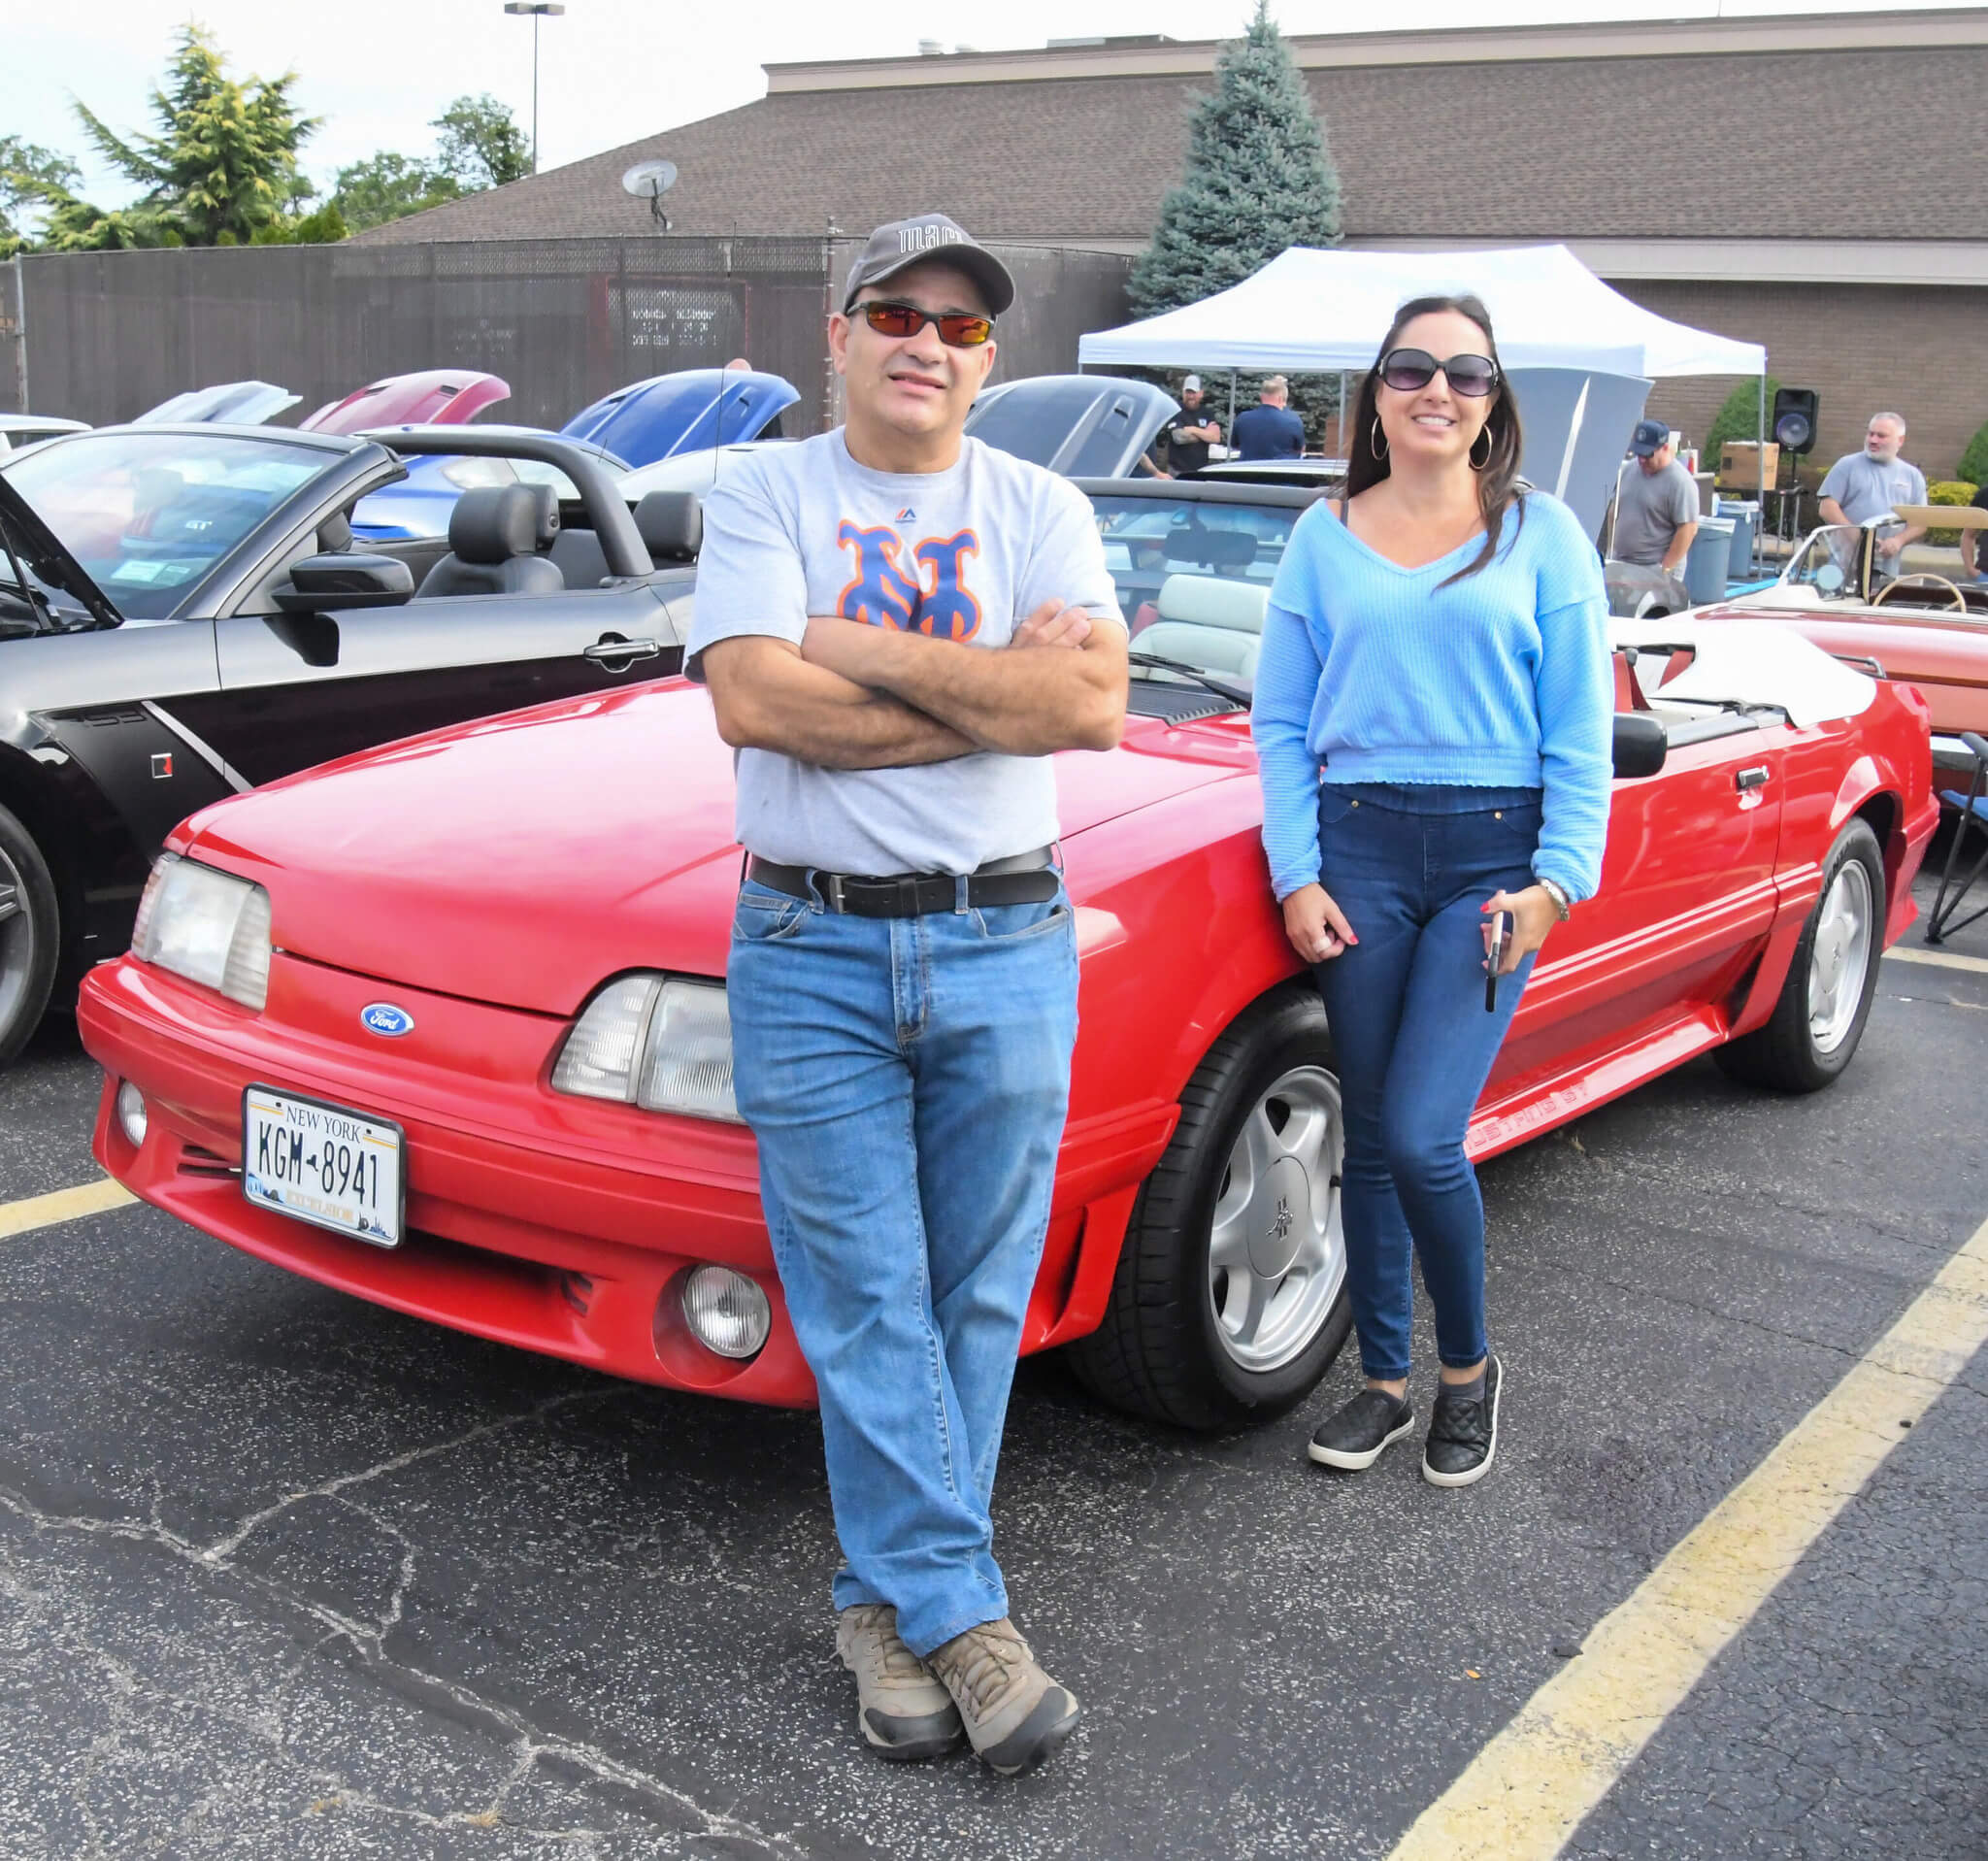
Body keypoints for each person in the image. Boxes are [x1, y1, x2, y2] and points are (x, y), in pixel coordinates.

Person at [687, 212, 1128, 1777]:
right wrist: (999, 691)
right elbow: (755, 699)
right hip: (809, 948)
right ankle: (968, 1617)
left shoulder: (1042, 504)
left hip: (1005, 937)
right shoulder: (765, 492)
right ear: (840, 334)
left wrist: (845, 645)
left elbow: (1093, 702)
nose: (926, 344)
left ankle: (885, 1613)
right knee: (868, 1293)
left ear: (987, 358)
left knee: (977, 1297)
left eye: (960, 325)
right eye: (895, 314)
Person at [1250, 294, 1611, 1489]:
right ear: (1375, 394)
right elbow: (1280, 722)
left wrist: (1557, 883)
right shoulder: (1322, 536)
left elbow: (1579, 733)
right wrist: (1295, 873)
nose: (1436, 391)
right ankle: (1383, 1384)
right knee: (1367, 1136)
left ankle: (1466, 1370)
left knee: (1419, 1136)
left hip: (1491, 862)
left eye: (1466, 373)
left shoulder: (1540, 533)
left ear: (1493, 400)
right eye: (1410, 369)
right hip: (1357, 852)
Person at [1817, 413, 1928, 564]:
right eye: (1871, 434)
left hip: (1886, 567)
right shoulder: (1847, 465)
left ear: (1900, 440)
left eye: (1881, 436)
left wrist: (1898, 540)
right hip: (1844, 564)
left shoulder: (1912, 476)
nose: (1873, 440)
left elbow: (1920, 523)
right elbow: (1827, 508)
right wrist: (1856, 534)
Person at [1608, 419, 1699, 580]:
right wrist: (1611, 550)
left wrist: (1665, 569)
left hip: (1654, 568)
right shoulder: (1628, 470)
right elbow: (1614, 511)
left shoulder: (1680, 482)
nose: (1642, 460)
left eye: (1648, 454)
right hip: (1622, 564)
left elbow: (1688, 528)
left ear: (1665, 448)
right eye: (1638, 453)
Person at [1159, 374, 1222, 476]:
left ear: (1201, 393)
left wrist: (1192, 429)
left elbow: (1216, 438)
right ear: (1183, 392)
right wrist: (1205, 434)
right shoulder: (1175, 410)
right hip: (1177, 471)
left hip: (1201, 470)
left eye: (1194, 392)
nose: (1191, 396)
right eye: (1188, 392)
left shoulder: (1207, 413)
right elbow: (1178, 437)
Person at [1233, 376, 1307, 461]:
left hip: (1249, 467)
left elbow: (1235, 445)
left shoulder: (1242, 418)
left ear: (1261, 396)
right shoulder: (1293, 420)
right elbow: (1300, 449)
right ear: (1280, 398)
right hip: (1281, 468)